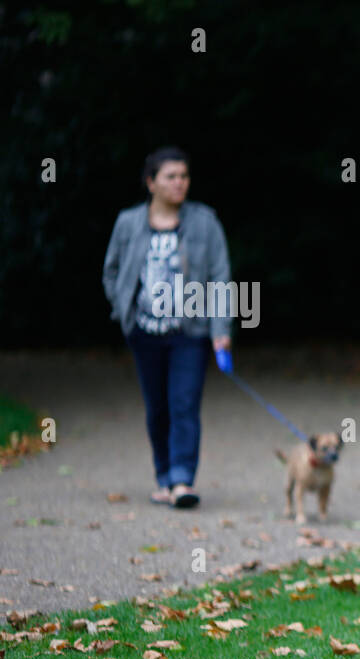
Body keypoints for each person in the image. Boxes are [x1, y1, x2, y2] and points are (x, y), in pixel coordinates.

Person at [102, 146, 234, 508]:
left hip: (190, 332)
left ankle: (182, 480)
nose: (180, 183)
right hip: (143, 333)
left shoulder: (205, 222)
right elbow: (111, 270)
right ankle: (164, 477)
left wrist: (221, 329)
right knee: (157, 407)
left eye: (184, 176)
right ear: (151, 183)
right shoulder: (128, 222)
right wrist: (122, 307)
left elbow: (221, 276)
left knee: (184, 403)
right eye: (171, 177)